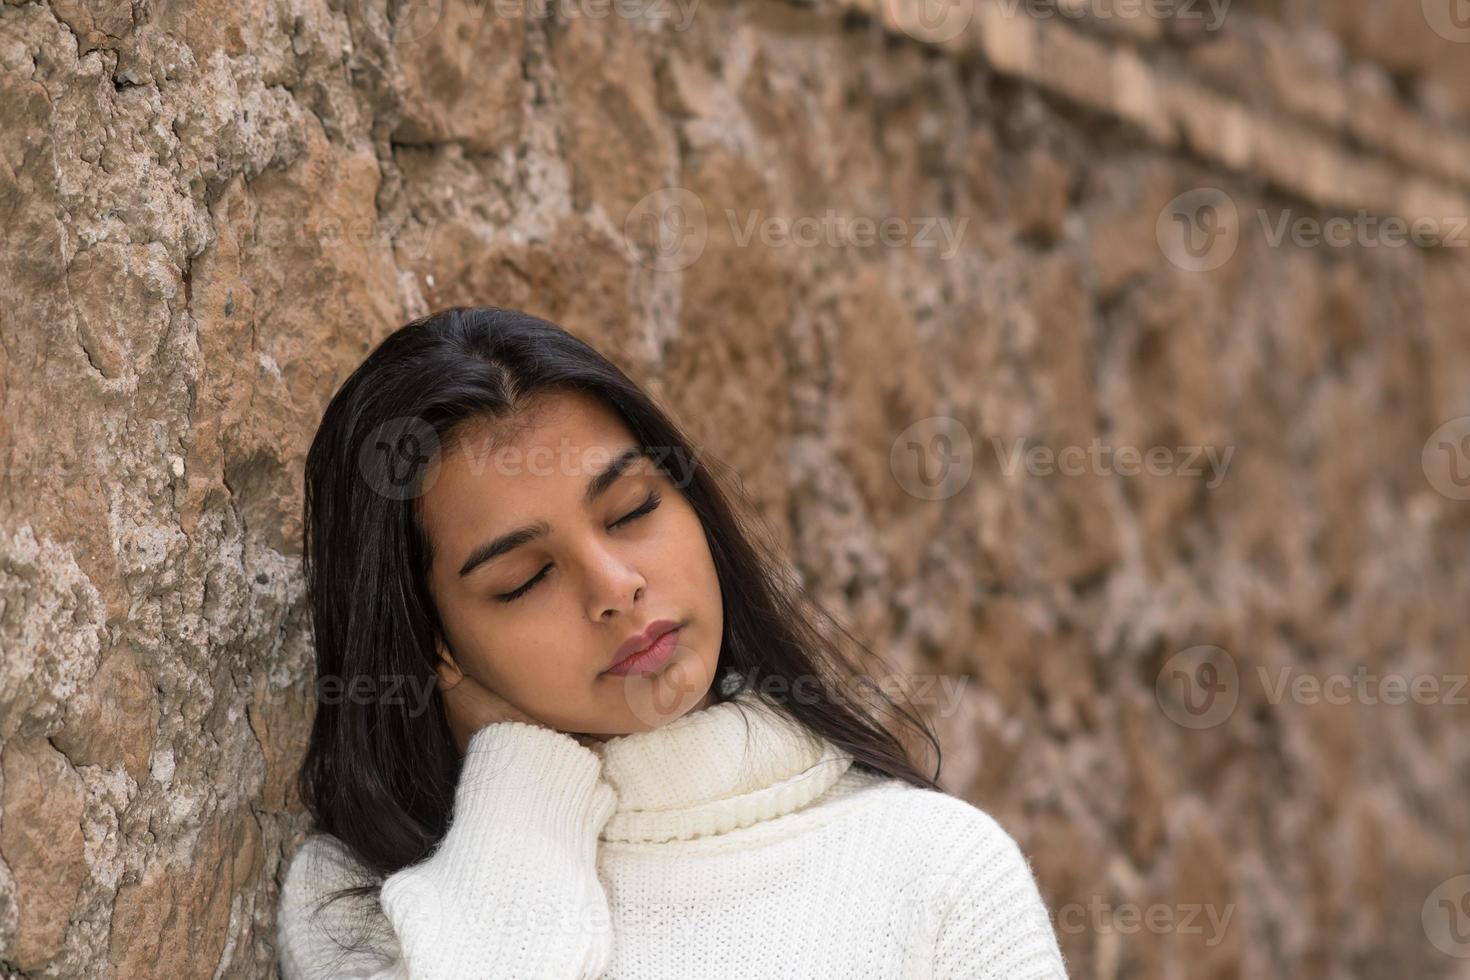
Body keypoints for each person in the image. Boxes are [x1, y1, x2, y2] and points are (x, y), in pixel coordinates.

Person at [276, 306, 1070, 979]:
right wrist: (520, 794)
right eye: (525, 579)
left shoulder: (936, 864)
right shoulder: (363, 907)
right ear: (434, 644)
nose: (616, 584)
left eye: (630, 512)